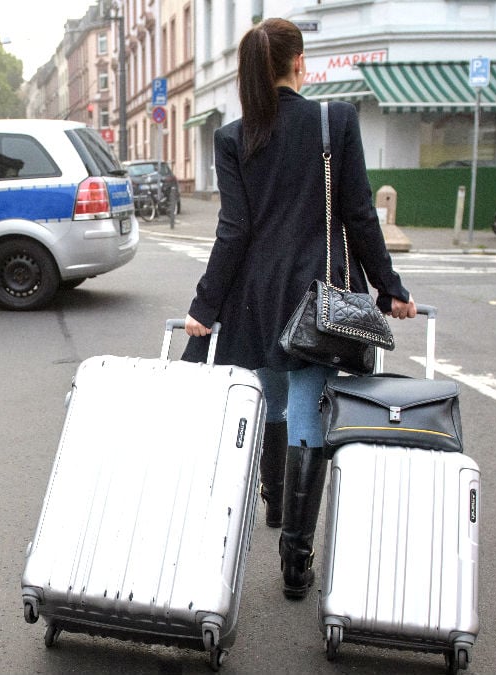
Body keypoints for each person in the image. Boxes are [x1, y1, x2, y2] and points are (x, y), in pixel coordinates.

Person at [181, 18, 416, 600]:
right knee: (310, 412)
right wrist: (390, 289)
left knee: (272, 401)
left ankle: (275, 499)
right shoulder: (334, 123)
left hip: (256, 298)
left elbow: (233, 231)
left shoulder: (234, 137)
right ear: (299, 63)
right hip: (318, 299)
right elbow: (359, 214)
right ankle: (296, 557)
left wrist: (204, 307)